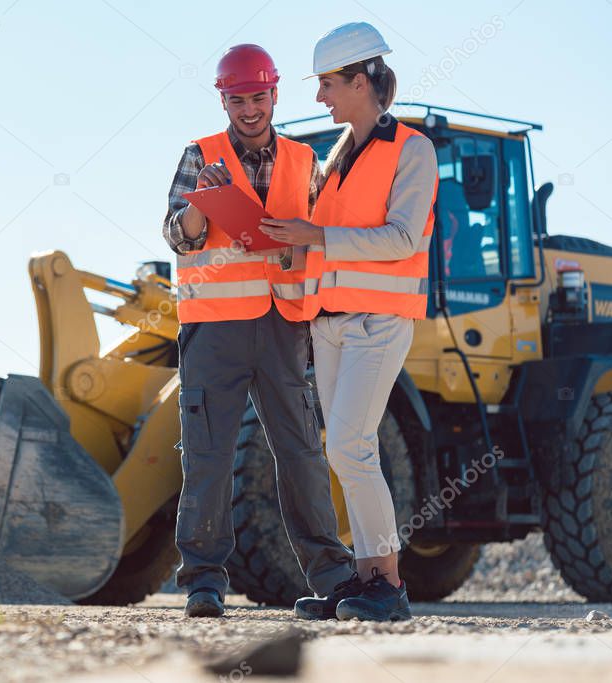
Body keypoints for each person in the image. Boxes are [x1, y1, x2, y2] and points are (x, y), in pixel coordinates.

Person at [164, 43, 356, 618]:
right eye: (238, 100)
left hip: (283, 327)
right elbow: (178, 234)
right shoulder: (200, 154)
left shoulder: (304, 161)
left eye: (258, 97)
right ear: (224, 100)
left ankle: (333, 574)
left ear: (275, 95)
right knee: (208, 454)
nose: (250, 109)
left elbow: (323, 233)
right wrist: (205, 203)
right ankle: (203, 581)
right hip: (214, 329)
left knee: (300, 453)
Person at [259, 22, 438, 622]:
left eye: (328, 85)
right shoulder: (336, 158)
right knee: (342, 450)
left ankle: (387, 582)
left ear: (362, 81)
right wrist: (285, 240)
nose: (320, 98)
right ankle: (363, 578)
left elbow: (403, 236)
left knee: (354, 447)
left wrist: (317, 235)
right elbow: (324, 245)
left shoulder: (412, 150)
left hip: (378, 323)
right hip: (331, 325)